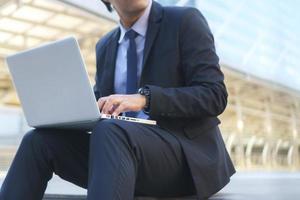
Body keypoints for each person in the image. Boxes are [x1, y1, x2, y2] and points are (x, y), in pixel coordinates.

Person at [0, 0, 235, 199]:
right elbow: (101, 101)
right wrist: (62, 107)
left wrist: (144, 99)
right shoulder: (106, 45)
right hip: (119, 156)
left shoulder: (184, 21)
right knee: (38, 140)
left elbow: (214, 94)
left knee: (110, 131)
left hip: (182, 159)